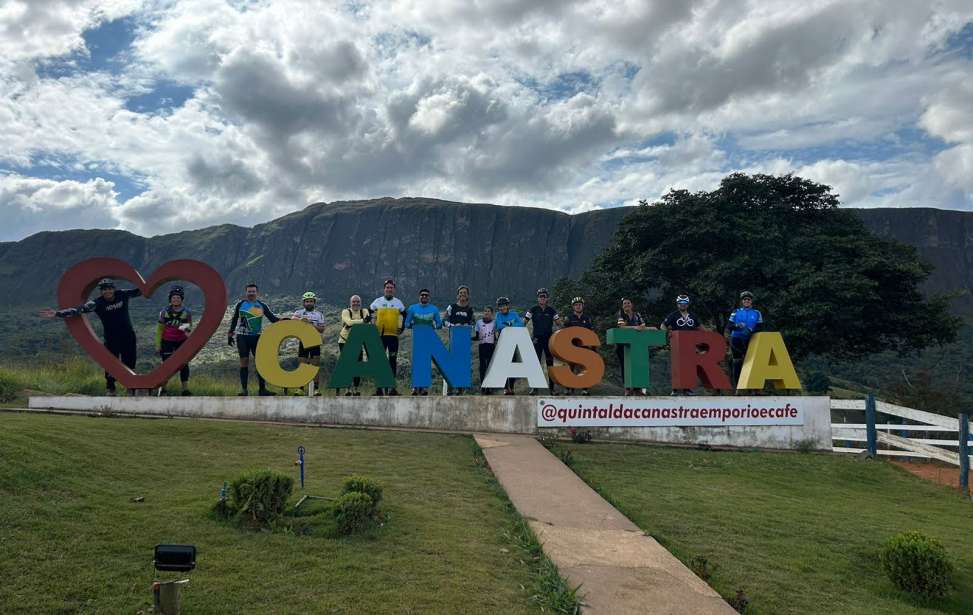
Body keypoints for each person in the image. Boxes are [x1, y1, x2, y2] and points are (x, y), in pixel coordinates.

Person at [40, 278, 141, 396]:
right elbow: (79, 310)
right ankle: (110, 388)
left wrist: (150, 284)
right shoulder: (97, 303)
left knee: (130, 363)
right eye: (104, 290)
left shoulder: (123, 294)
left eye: (109, 289)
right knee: (110, 364)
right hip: (111, 338)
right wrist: (58, 313)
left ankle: (131, 387)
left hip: (128, 336)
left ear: (114, 289)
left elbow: (140, 291)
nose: (107, 292)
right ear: (101, 292)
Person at [227, 282, 280, 396]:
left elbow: (273, 319)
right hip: (242, 337)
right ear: (246, 292)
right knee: (244, 362)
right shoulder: (240, 304)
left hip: (257, 337)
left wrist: (285, 320)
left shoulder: (262, 305)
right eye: (249, 291)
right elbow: (235, 319)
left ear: (257, 293)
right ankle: (244, 390)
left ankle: (262, 390)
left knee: (260, 363)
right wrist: (230, 334)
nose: (251, 293)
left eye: (253, 291)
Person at [370, 278, 406, 396]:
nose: (389, 289)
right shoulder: (377, 301)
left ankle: (392, 389)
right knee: (380, 362)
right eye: (387, 287)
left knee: (392, 361)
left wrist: (402, 328)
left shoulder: (398, 302)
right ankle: (379, 389)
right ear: (384, 289)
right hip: (380, 336)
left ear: (394, 289)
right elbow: (369, 312)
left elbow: (404, 315)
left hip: (393, 336)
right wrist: (372, 324)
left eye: (391, 288)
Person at [155, 285, 193, 396]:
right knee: (166, 365)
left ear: (182, 299)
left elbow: (188, 329)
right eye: (173, 298)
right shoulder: (163, 312)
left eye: (178, 298)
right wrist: (158, 345)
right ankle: (163, 389)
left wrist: (179, 326)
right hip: (167, 341)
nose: (175, 300)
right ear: (170, 299)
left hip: (181, 341)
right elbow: (159, 330)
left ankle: (185, 389)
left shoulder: (187, 312)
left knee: (184, 364)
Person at [404, 288, 443, 395]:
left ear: (429, 297)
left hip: (429, 338)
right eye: (422, 295)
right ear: (419, 296)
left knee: (426, 362)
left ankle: (424, 387)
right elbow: (406, 323)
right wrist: (413, 326)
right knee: (416, 362)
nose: (424, 297)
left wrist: (435, 326)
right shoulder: (412, 308)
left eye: (426, 295)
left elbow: (439, 324)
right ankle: (415, 387)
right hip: (417, 338)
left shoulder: (434, 309)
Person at [661, 294, 701, 395]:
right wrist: (668, 333)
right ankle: (675, 389)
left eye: (685, 303)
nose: (683, 305)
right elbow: (662, 326)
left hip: (690, 344)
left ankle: (687, 388)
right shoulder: (673, 315)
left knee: (689, 366)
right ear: (677, 304)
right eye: (681, 303)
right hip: (677, 344)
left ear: (688, 304)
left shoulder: (693, 316)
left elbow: (700, 327)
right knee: (677, 366)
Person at [524, 288, 560, 395]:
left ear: (547, 298)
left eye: (544, 296)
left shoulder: (551, 310)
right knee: (536, 364)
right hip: (537, 339)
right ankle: (535, 388)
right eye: (540, 296)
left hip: (549, 340)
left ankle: (552, 389)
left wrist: (563, 322)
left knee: (550, 364)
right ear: (538, 298)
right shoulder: (532, 309)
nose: (542, 298)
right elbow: (524, 322)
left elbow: (559, 323)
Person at [290, 291, 325, 396]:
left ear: (314, 303)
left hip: (315, 341)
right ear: (303, 303)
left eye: (311, 301)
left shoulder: (319, 314)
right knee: (302, 365)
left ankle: (316, 389)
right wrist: (302, 319)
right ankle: (300, 388)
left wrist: (311, 324)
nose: (309, 303)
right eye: (307, 301)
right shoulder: (299, 312)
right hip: (303, 340)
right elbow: (292, 319)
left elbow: (322, 329)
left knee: (315, 365)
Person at [727, 290, 763, 390]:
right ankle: (738, 388)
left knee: (752, 363)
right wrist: (737, 325)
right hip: (737, 339)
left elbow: (760, 327)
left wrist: (751, 330)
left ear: (751, 301)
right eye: (744, 299)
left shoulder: (756, 313)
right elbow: (729, 326)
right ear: (742, 301)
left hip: (751, 340)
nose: (746, 301)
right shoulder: (736, 312)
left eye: (748, 299)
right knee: (737, 362)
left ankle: (754, 388)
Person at [443, 285, 476, 395]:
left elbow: (473, 323)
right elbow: (445, 320)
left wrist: (466, 326)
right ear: (457, 295)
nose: (462, 294)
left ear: (468, 295)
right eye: (461, 292)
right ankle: (450, 389)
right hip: (454, 338)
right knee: (452, 363)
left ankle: (461, 389)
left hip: (464, 339)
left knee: (463, 364)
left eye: (465, 293)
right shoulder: (451, 307)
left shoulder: (470, 309)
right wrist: (453, 325)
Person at [338, 295, 370, 396]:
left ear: (360, 303)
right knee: (347, 365)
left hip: (357, 341)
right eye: (354, 302)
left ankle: (355, 389)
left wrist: (359, 322)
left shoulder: (364, 311)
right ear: (350, 303)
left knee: (357, 365)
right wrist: (362, 321)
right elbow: (348, 322)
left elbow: (367, 323)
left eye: (357, 302)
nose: (356, 303)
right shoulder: (345, 311)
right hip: (345, 341)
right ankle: (347, 389)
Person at [562, 296, 594, 395]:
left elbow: (591, 332)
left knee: (584, 368)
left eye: (580, 305)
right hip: (572, 346)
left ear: (583, 306)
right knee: (570, 368)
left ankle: (585, 389)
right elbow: (564, 333)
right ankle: (568, 388)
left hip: (584, 347)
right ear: (573, 307)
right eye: (576, 305)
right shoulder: (569, 318)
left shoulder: (587, 318)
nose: (578, 307)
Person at [494, 297, 524, 395]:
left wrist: (509, 324)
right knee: (504, 366)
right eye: (500, 306)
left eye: (503, 306)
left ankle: (512, 387)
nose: (502, 308)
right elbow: (499, 325)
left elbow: (521, 324)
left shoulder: (514, 314)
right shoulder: (498, 315)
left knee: (513, 365)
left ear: (507, 306)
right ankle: (506, 388)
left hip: (513, 341)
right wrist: (512, 323)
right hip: (502, 342)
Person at [615, 298, 645, 396]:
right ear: (622, 306)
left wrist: (640, 327)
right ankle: (627, 388)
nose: (627, 305)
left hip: (636, 345)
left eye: (628, 303)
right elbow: (621, 327)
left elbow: (643, 325)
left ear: (632, 305)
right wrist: (635, 328)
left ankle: (638, 388)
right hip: (623, 345)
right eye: (624, 303)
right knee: (625, 366)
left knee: (637, 365)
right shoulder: (620, 314)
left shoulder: (637, 314)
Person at [474, 306, 497, 395]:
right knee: (482, 367)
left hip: (491, 346)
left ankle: (490, 387)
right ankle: (483, 386)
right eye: (485, 311)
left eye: (488, 311)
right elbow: (476, 336)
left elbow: (496, 334)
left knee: (490, 367)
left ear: (492, 313)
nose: (486, 313)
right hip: (482, 346)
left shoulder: (495, 323)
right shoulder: (479, 322)